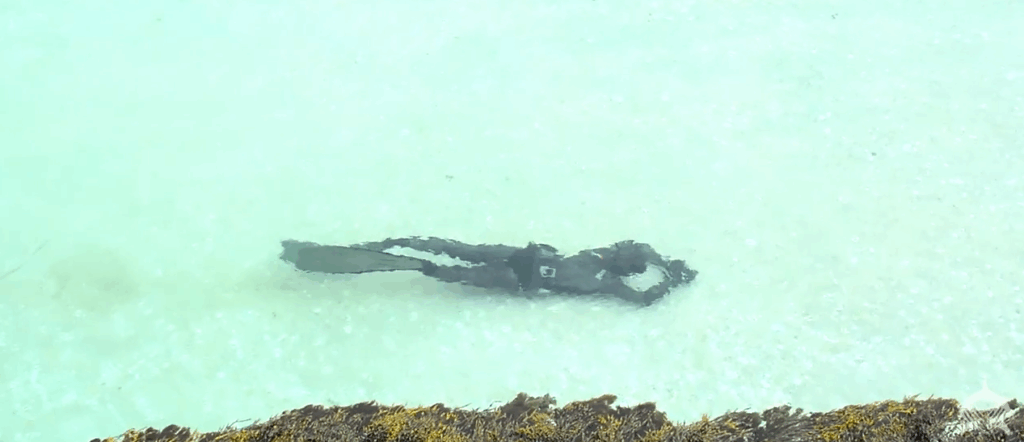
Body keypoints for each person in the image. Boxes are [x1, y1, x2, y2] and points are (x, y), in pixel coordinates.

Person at [279, 237, 697, 306]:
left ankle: (407, 259)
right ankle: (390, 246)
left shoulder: (610, 284)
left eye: (625, 253)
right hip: (522, 258)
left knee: (442, 269)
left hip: (517, 278)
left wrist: (670, 282)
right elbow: (640, 248)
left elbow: (643, 299)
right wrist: (667, 267)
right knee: (451, 249)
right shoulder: (608, 259)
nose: (621, 247)